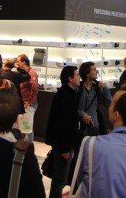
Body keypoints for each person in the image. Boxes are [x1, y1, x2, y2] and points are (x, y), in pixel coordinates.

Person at [45, 65, 81, 198]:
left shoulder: (69, 94)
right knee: (59, 179)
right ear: (70, 78)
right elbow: (62, 124)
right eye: (77, 75)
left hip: (65, 144)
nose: (79, 77)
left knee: (61, 178)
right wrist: (65, 149)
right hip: (63, 146)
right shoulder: (65, 96)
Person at [77, 61, 112, 137]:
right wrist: (82, 114)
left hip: (94, 126)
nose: (97, 71)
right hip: (80, 126)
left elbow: (108, 103)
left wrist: (105, 88)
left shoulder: (96, 88)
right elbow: (72, 107)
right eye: (94, 69)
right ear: (87, 74)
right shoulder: (78, 89)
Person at [16, 54, 39, 140]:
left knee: (27, 127)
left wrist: (29, 102)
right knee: (22, 126)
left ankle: (28, 146)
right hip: (23, 103)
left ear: (24, 62)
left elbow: (35, 88)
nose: (17, 63)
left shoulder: (31, 73)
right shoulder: (22, 73)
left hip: (28, 104)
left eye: (18, 61)